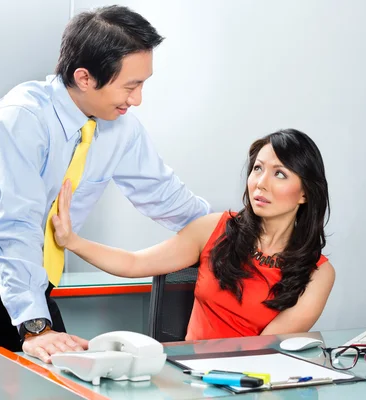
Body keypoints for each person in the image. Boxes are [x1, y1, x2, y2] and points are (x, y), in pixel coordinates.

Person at [0, 6, 210, 400]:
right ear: (84, 77)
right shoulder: (22, 117)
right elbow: (16, 226)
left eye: (143, 84)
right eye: (130, 86)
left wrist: (236, 231)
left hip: (34, 285)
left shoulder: (120, 127)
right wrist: (35, 327)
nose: (138, 99)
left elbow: (164, 193)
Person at [53, 129, 335, 340]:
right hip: (191, 380)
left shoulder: (318, 273)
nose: (260, 183)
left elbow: (265, 350)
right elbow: (134, 263)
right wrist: (72, 242)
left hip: (253, 385)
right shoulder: (215, 228)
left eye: (280, 174)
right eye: (258, 169)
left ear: (305, 193)